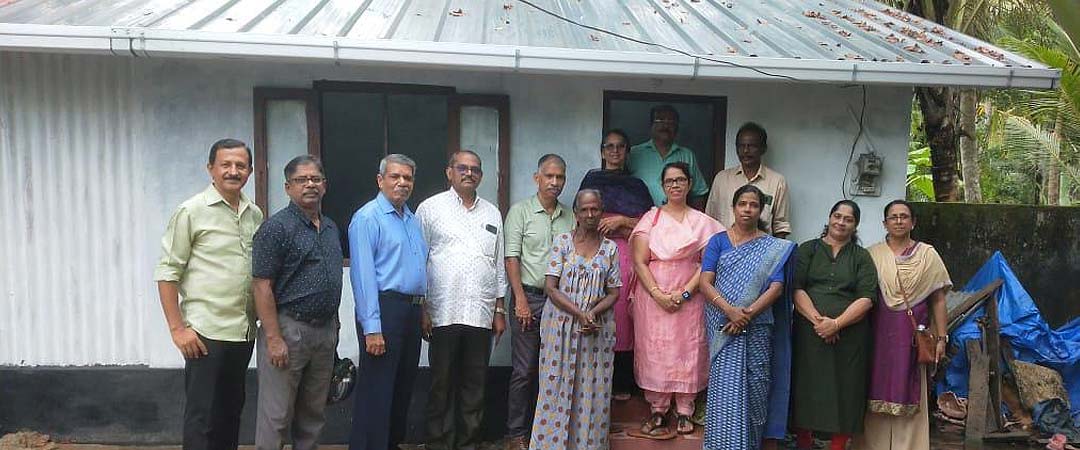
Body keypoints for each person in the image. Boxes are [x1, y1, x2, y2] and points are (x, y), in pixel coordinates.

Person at [153, 138, 264, 450]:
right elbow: (167, 272)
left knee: (230, 414)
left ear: (250, 171)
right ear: (210, 169)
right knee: (202, 417)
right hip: (204, 333)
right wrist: (178, 328)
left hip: (242, 333)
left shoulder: (254, 214)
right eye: (225, 164)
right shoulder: (191, 211)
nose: (233, 171)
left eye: (240, 165)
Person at [418, 150, 508, 450]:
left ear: (481, 175)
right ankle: (439, 444)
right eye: (462, 168)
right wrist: (423, 307)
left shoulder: (492, 213)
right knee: (441, 384)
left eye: (475, 169)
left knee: (475, 386)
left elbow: (496, 264)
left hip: (480, 313)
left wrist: (498, 309)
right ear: (449, 172)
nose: (469, 173)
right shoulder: (430, 209)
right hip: (442, 311)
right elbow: (418, 260)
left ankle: (468, 443)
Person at [252, 155, 343, 450]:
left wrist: (335, 329)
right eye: (301, 180)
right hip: (289, 331)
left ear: (325, 186)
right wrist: (274, 337)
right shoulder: (276, 228)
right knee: (276, 417)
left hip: (324, 333)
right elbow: (262, 286)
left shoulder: (329, 227)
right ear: (288, 187)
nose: (310, 185)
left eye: (315, 179)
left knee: (313, 416)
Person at [699, 185, 796, 450]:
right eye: (742, 204)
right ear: (733, 207)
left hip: (757, 327)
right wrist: (730, 311)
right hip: (722, 324)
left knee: (756, 388)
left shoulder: (772, 247)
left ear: (761, 209)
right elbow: (705, 282)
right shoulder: (718, 241)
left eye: (753, 205)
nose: (747, 209)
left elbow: (776, 288)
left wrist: (747, 314)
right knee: (723, 390)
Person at [630, 161, 723, 436]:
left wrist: (683, 294)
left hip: (691, 295)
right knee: (655, 349)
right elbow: (639, 261)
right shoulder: (651, 219)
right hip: (653, 293)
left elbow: (709, 264)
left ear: (689, 183)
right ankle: (657, 409)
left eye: (680, 180)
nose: (675, 185)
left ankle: (685, 411)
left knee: (688, 349)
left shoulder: (704, 222)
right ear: (662, 185)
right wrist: (658, 294)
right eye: (669, 181)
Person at [854, 200, 951, 450]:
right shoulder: (872, 254)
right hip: (876, 335)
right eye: (893, 217)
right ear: (884, 223)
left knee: (909, 388)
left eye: (904, 216)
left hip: (912, 336)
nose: (899, 221)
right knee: (872, 387)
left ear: (913, 222)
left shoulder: (927, 255)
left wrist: (942, 338)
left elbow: (938, 299)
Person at [347, 154, 429, 450]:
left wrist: (423, 310)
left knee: (402, 387)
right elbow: (363, 276)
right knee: (377, 391)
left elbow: (418, 269)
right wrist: (372, 328)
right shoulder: (367, 218)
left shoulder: (410, 218)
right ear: (380, 180)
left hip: (410, 310)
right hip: (384, 310)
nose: (402, 183)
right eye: (395, 176)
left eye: (407, 177)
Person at [529, 189, 621, 450]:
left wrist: (593, 313)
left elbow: (614, 292)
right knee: (554, 387)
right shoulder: (562, 242)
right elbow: (551, 287)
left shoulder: (610, 248)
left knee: (592, 391)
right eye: (585, 209)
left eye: (595, 209)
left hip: (595, 330)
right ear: (577, 213)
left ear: (601, 211)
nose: (590, 214)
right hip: (560, 327)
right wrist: (579, 313)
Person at [790, 200, 878, 450]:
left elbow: (867, 297)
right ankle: (803, 442)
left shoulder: (861, 257)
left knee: (847, 387)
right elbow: (796, 288)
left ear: (855, 225)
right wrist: (821, 323)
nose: (841, 222)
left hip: (850, 335)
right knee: (807, 385)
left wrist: (837, 324)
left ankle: (838, 445)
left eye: (848, 219)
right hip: (809, 330)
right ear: (829, 218)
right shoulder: (808, 249)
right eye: (837, 216)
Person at [504, 154, 574, 450]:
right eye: (549, 176)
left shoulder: (570, 216)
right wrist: (519, 299)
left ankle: (547, 433)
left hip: (560, 302)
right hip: (528, 298)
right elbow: (511, 257)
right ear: (537, 178)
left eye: (560, 177)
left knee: (556, 369)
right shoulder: (520, 212)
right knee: (524, 370)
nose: (555, 182)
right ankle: (515, 434)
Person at [578, 129, 654, 401]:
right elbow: (582, 217)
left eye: (620, 146)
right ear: (601, 151)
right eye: (609, 147)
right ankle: (594, 380)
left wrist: (622, 221)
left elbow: (650, 224)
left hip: (627, 255)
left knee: (623, 314)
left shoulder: (638, 186)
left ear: (627, 151)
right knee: (594, 307)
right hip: (595, 252)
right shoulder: (591, 180)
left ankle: (622, 381)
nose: (614, 151)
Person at [704, 122, 791, 239]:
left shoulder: (777, 181)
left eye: (752, 146)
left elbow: (780, 227)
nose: (745, 150)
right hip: (725, 248)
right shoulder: (722, 179)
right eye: (741, 146)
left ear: (763, 148)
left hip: (761, 250)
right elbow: (710, 219)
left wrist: (775, 255)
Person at [628, 105, 710, 208]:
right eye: (660, 120)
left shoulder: (687, 155)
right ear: (651, 125)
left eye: (671, 122)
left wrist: (695, 220)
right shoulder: (634, 154)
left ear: (677, 127)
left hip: (677, 220)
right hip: (641, 218)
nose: (665, 126)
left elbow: (698, 193)